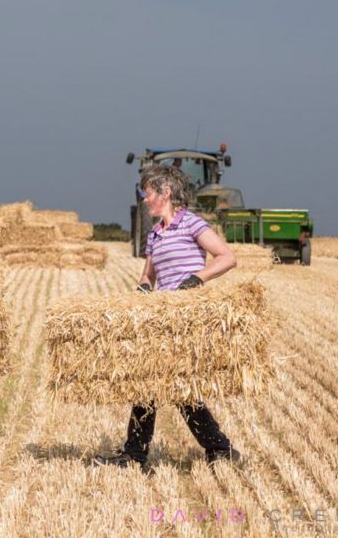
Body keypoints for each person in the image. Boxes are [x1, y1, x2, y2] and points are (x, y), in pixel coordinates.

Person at [95, 164, 243, 470]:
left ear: (166, 193)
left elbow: (227, 258)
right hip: (162, 317)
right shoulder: (154, 235)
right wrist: (142, 291)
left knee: (177, 386)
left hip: (186, 316)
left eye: (148, 193)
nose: (145, 199)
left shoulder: (191, 224)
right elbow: (148, 275)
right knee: (151, 383)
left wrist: (198, 278)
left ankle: (216, 448)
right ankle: (140, 455)